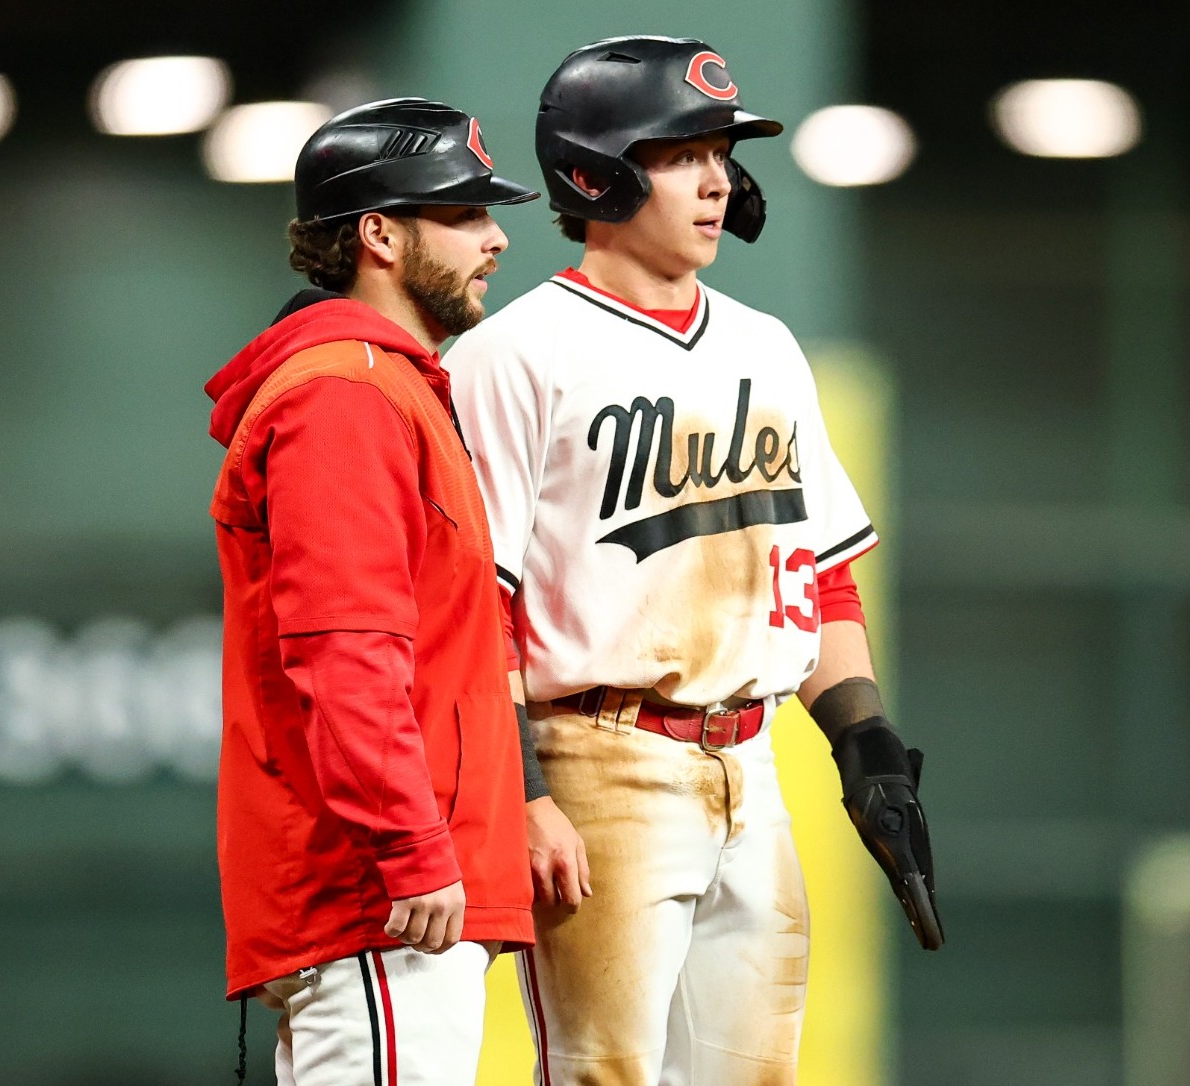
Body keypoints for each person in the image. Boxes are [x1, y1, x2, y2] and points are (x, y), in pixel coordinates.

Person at [444, 37, 944, 1086]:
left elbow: (819, 573)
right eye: (680, 153)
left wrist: (866, 743)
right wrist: (523, 788)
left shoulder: (764, 344)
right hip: (596, 760)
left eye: (720, 151)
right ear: (596, 173)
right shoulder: (511, 354)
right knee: (604, 1075)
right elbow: (469, 604)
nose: (717, 179)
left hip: (754, 764)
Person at [205, 98, 542, 1086]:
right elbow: (344, 655)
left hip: (393, 900)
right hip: (380, 903)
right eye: (466, 213)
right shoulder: (344, 394)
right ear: (380, 234)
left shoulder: (383, 383)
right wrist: (412, 845)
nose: (495, 236)